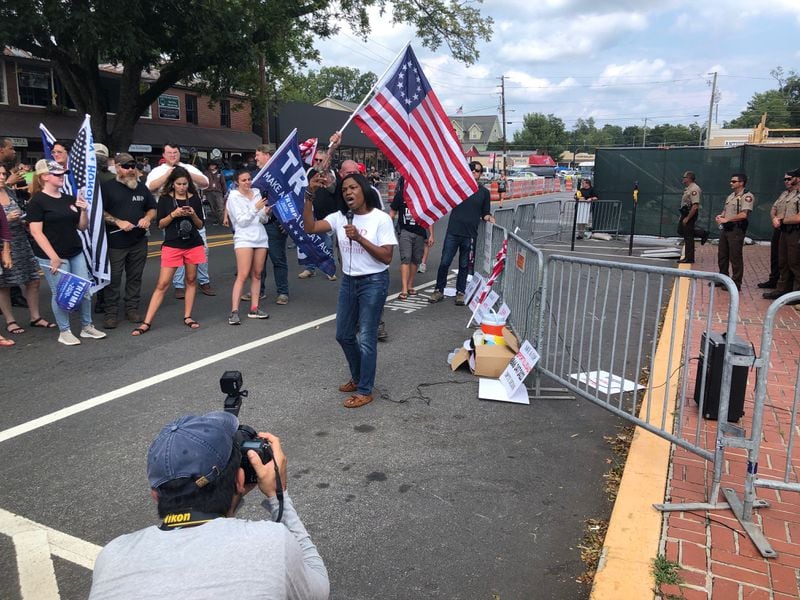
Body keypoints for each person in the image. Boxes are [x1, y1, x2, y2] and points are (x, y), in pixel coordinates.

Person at [88, 411, 330, 599]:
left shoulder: (112, 556)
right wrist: (279, 494)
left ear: (155, 494)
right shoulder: (270, 543)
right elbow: (319, 588)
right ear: (240, 479)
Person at [303, 172, 397, 408]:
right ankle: (357, 378)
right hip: (349, 281)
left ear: (363, 190)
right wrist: (309, 195)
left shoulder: (381, 219)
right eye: (344, 189)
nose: (347, 192)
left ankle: (365, 389)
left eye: (353, 188)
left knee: (366, 338)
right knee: (343, 335)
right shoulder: (339, 217)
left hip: (374, 282)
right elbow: (310, 227)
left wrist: (360, 239)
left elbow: (387, 257)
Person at [26, 160, 107, 345]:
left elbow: (81, 226)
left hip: (74, 250)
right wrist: (53, 257)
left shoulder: (69, 198)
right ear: (44, 177)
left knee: (83, 289)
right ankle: (65, 330)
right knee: (61, 293)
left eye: (63, 174)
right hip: (52, 255)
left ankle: (87, 326)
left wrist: (84, 210)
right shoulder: (37, 201)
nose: (62, 177)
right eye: (57, 174)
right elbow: (36, 232)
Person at [133, 167, 204, 335]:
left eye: (185, 184)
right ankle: (147, 322)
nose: (182, 187)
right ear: (172, 184)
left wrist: (192, 214)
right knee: (163, 283)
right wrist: (173, 214)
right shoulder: (165, 199)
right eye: (178, 184)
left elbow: (200, 225)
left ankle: (188, 316)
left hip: (193, 243)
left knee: (191, 279)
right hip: (172, 244)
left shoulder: (195, 199)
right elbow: (160, 224)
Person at [145, 144, 215, 298]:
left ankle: (204, 281)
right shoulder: (158, 170)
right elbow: (149, 187)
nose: (172, 155)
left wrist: (185, 173)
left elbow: (205, 183)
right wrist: (170, 174)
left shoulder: (188, 167)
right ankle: (179, 285)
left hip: (193, 214)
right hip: (171, 217)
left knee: (203, 249)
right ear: (164, 154)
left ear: (179, 154)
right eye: (169, 153)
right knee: (176, 252)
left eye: (175, 153)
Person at [100, 152, 157, 328]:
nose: (131, 169)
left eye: (133, 166)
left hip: (138, 240)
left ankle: (132, 308)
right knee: (114, 278)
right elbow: (99, 212)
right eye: (126, 166)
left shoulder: (141, 187)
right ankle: (111, 312)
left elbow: (152, 208)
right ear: (117, 168)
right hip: (116, 242)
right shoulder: (108, 187)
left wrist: (147, 218)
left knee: (135, 277)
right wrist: (118, 221)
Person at [429, 161, 494, 305]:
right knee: (445, 262)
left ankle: (460, 292)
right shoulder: (459, 188)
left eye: (477, 171)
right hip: (453, 231)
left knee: (464, 265)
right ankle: (439, 290)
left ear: (480, 174)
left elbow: (485, 213)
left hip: (470, 234)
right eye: (471, 170)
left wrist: (489, 217)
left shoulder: (484, 192)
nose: (473, 172)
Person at [0, 164, 54, 337]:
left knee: (33, 279)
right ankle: (10, 320)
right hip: (3, 245)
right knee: (5, 284)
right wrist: (5, 219)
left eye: (3, 173)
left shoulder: (9, 192)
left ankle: (35, 317)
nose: (2, 177)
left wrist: (23, 220)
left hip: (21, 240)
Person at [226, 169, 270, 324]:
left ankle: (254, 308)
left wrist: (265, 212)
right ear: (237, 182)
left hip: (260, 237)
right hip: (244, 237)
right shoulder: (233, 197)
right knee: (243, 275)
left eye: (249, 179)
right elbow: (241, 221)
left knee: (257, 274)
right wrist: (256, 208)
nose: (247, 182)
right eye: (243, 180)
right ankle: (234, 311)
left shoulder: (256, 192)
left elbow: (262, 220)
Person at [253, 144, 290, 305]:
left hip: (275, 224)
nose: (255, 158)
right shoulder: (254, 175)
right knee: (258, 261)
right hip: (258, 224)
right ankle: (258, 291)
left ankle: (283, 292)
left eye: (258, 155)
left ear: (267, 155)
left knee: (278, 259)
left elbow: (289, 198)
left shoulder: (281, 175)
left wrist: (287, 222)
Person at [390, 176, 433, 299]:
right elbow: (392, 212)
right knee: (406, 258)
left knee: (416, 260)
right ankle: (404, 289)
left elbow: (429, 216)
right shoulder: (400, 196)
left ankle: (410, 285)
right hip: (405, 231)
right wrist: (386, 227)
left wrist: (431, 234)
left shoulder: (423, 197)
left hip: (420, 232)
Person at [762, 168, 800, 302]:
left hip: (795, 232)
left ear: (798, 178)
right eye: (785, 179)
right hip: (784, 231)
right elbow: (775, 208)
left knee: (795, 263)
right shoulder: (786, 194)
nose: (786, 181)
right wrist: (775, 219)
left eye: (789, 179)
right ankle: (783, 290)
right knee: (783, 261)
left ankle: (796, 295)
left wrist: (782, 220)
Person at [715, 173, 755, 291]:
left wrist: (727, 219)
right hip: (726, 228)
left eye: (734, 181)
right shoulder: (731, 196)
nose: (731, 183)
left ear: (741, 183)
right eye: (731, 181)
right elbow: (726, 210)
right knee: (722, 255)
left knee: (735, 256)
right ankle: (723, 278)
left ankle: (736, 282)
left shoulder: (747, 196)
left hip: (736, 229)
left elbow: (744, 214)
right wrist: (721, 216)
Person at [677, 171, 709, 263]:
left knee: (688, 236)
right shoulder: (688, 188)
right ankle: (702, 233)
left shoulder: (694, 189)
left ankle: (689, 258)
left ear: (689, 178)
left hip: (690, 213)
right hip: (685, 213)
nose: (683, 179)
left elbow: (695, 206)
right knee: (681, 231)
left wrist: (687, 218)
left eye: (684, 177)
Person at [204, 160, 227, 226]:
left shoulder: (220, 173)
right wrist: (203, 194)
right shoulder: (206, 173)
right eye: (211, 165)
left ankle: (223, 220)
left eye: (213, 165)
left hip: (218, 192)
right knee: (213, 207)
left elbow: (223, 183)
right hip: (209, 192)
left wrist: (225, 192)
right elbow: (204, 184)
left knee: (221, 206)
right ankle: (216, 220)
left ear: (216, 166)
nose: (212, 166)